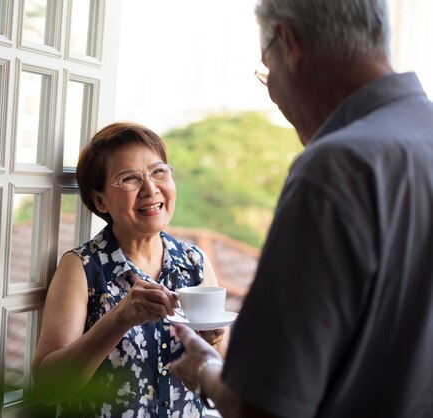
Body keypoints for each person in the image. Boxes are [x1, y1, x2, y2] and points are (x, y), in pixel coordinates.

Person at [171, 0, 433, 417]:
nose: (272, 91)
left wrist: (205, 370)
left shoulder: (336, 169)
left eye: (266, 70)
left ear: (288, 43)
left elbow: (260, 407)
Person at [31, 122, 227, 417]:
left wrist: (214, 339)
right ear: (100, 200)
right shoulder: (82, 267)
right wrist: (119, 319)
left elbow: (223, 371)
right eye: (129, 179)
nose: (150, 188)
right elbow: (48, 389)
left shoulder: (194, 261)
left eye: (158, 172)